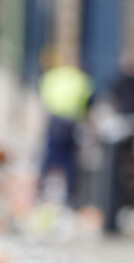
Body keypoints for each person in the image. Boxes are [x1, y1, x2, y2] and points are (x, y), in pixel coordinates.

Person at [38, 61, 94, 206]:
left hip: (55, 119)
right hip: (71, 121)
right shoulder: (82, 79)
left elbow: (44, 95)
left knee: (51, 157)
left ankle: (42, 190)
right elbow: (87, 101)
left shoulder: (53, 76)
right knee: (70, 160)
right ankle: (70, 194)